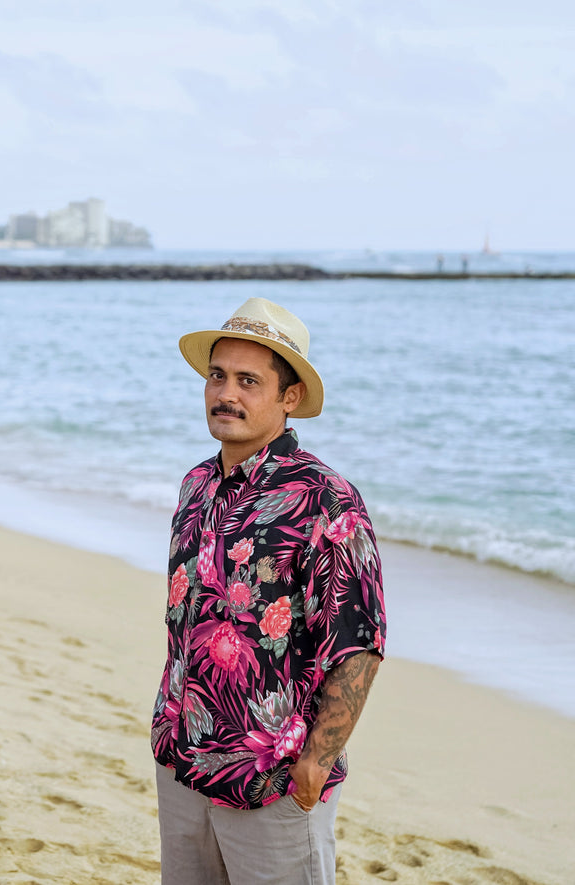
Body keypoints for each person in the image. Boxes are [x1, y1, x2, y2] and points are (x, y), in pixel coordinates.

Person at [152, 297, 386, 885]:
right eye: (218, 376)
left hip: (273, 777)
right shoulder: (197, 485)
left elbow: (358, 642)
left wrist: (316, 762)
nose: (226, 394)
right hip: (183, 756)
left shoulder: (325, 500)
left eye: (249, 381)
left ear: (289, 398)